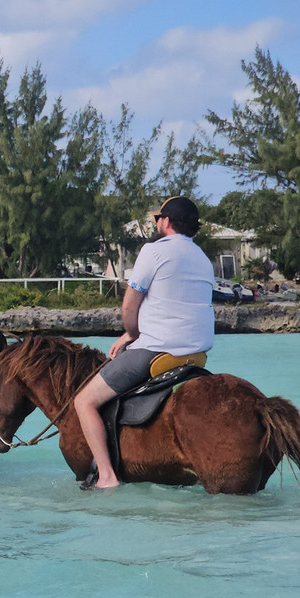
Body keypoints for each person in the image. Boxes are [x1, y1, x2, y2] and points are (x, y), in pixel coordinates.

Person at [73, 196, 214, 490]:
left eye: (158, 219)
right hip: (196, 355)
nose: (156, 223)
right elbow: (175, 306)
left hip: (156, 350)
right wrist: (132, 335)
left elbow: (129, 307)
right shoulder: (202, 257)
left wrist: (132, 333)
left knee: (84, 401)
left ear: (166, 221)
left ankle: (108, 478)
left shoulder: (154, 251)